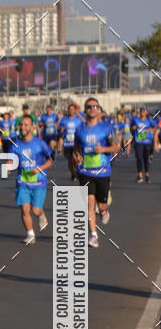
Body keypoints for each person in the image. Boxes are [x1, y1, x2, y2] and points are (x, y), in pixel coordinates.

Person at [73, 97, 118, 248]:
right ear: (85, 110)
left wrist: (103, 149)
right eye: (89, 106)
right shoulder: (79, 130)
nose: (92, 109)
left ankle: (104, 210)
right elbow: (76, 148)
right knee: (88, 204)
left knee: (102, 205)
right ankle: (93, 235)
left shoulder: (106, 128)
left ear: (99, 109)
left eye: (95, 106)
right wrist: (77, 155)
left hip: (103, 171)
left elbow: (116, 147)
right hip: (85, 171)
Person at [9, 115, 54, 244]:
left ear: (32, 127)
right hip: (22, 182)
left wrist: (40, 168)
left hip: (39, 182)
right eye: (21, 124)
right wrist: (8, 166)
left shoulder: (40, 143)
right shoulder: (15, 145)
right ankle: (30, 234)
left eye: (26, 124)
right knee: (24, 209)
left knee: (35, 210)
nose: (23, 127)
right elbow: (10, 159)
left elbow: (51, 160)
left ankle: (41, 214)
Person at [57, 103, 83, 180]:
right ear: (68, 110)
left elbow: (84, 127)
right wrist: (60, 129)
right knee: (70, 160)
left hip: (76, 142)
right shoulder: (64, 120)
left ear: (75, 110)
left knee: (77, 158)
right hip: (67, 143)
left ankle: (78, 172)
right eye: (70, 109)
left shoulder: (79, 120)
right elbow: (58, 128)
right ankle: (73, 172)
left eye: (72, 109)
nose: (71, 111)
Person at [131, 106, 156, 183]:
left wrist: (150, 130)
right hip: (138, 142)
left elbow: (156, 127)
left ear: (146, 112)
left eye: (144, 111)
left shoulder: (149, 120)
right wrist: (133, 128)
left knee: (146, 159)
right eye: (141, 111)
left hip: (147, 142)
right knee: (139, 158)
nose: (142, 113)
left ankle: (147, 175)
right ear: (140, 112)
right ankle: (140, 175)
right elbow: (131, 127)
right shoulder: (135, 120)